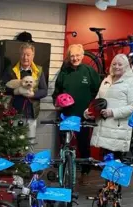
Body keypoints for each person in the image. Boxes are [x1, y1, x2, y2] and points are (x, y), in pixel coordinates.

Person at [52, 44, 101, 185]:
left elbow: (97, 92)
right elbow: (57, 92)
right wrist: (57, 102)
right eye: (72, 56)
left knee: (83, 144)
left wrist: (92, 108)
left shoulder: (89, 71)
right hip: (66, 115)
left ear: (83, 55)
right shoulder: (64, 72)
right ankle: (63, 171)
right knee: (64, 144)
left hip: (83, 116)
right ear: (69, 56)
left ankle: (85, 172)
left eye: (77, 55)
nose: (75, 58)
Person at [85, 54, 133, 159]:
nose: (116, 67)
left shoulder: (132, 83)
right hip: (103, 132)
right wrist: (89, 112)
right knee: (107, 167)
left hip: (117, 133)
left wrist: (113, 112)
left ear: (126, 67)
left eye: (120, 64)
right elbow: (97, 101)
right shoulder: (107, 81)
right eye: (114, 64)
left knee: (116, 168)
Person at [2, 42, 48, 141]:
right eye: (23, 54)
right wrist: (14, 91)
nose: (25, 57)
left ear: (33, 56)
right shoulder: (11, 69)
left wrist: (33, 94)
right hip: (14, 112)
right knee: (13, 141)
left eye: (28, 55)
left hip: (31, 112)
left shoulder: (39, 70)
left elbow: (44, 91)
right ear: (20, 55)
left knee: (30, 141)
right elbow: (2, 87)